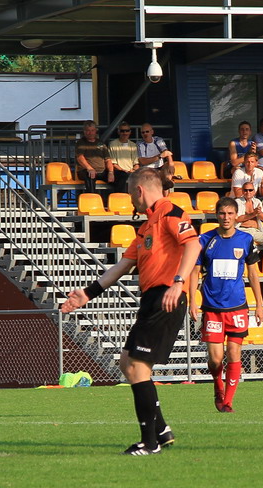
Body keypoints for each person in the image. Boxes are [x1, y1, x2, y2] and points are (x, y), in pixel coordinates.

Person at [61, 168, 201, 456]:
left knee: (137, 367)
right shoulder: (147, 226)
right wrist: (86, 294)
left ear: (139, 191)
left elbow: (194, 244)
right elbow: (121, 267)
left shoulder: (171, 212)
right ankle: (161, 430)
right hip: (152, 299)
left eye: (130, 195)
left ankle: (150, 443)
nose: (130, 201)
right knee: (128, 362)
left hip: (166, 297)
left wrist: (178, 284)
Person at [189, 197, 263, 413]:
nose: (226, 218)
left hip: (237, 306)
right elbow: (194, 271)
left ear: (235, 215)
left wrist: (259, 305)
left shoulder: (245, 239)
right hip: (212, 308)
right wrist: (193, 300)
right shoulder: (205, 239)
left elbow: (253, 273)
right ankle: (217, 386)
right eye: (222, 213)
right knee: (215, 359)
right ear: (217, 214)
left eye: (230, 214)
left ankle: (228, 401)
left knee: (233, 353)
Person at [75, 120, 129, 194]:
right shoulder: (81, 143)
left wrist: (110, 172)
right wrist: (89, 168)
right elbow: (80, 157)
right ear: (84, 131)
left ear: (96, 131)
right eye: (88, 131)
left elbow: (108, 159)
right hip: (87, 171)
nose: (90, 133)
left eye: (92, 130)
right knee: (90, 175)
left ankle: (118, 198)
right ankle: (92, 199)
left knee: (122, 175)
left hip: (102, 171)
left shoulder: (100, 143)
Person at [235, 181, 263, 254]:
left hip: (256, 231)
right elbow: (238, 219)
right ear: (242, 191)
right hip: (243, 231)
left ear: (254, 191)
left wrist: (259, 213)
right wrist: (253, 214)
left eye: (250, 190)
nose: (248, 192)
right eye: (245, 190)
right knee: (249, 241)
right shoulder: (237, 202)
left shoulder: (257, 202)